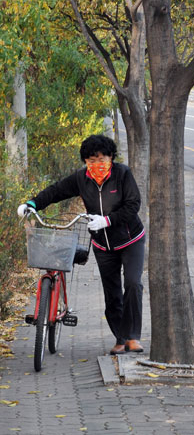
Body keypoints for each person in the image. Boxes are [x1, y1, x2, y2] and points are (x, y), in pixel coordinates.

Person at [17, 134, 145, 355]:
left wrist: (108, 220)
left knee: (133, 284)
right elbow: (56, 191)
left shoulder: (122, 174)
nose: (97, 165)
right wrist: (32, 203)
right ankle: (120, 338)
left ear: (111, 157)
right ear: (85, 161)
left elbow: (133, 204)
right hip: (103, 246)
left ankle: (133, 337)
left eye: (101, 159)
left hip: (130, 239)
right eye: (91, 160)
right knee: (112, 293)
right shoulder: (81, 179)